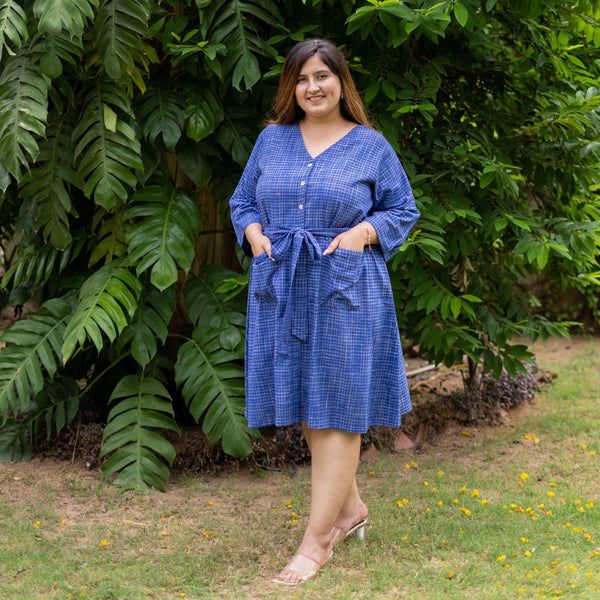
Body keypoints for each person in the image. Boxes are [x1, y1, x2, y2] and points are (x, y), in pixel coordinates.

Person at [229, 38, 420, 585]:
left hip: (346, 286)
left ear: (341, 82)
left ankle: (316, 543)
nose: (313, 87)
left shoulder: (370, 146)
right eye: (302, 79)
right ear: (291, 87)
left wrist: (365, 231)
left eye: (323, 76)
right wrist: (253, 232)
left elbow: (402, 208)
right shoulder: (271, 140)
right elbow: (243, 200)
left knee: (336, 404)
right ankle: (351, 507)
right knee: (311, 403)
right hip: (283, 282)